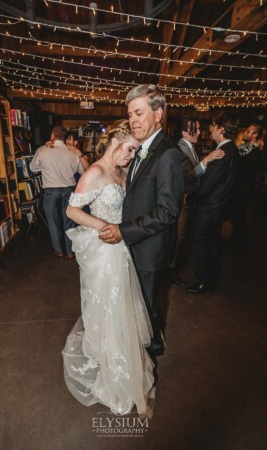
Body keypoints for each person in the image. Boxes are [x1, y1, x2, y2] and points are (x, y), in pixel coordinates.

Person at [62, 120, 155, 417]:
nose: (131, 156)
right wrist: (106, 227)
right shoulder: (95, 172)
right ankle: (112, 369)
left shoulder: (122, 170)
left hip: (122, 248)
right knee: (108, 309)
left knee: (123, 308)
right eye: (129, 150)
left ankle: (125, 363)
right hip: (103, 252)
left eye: (135, 152)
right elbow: (72, 210)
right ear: (115, 143)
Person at [99, 84, 186, 357]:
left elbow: (169, 211)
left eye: (139, 113)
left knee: (144, 307)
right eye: (130, 114)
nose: (133, 120)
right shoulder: (143, 148)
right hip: (136, 244)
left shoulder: (169, 154)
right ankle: (155, 344)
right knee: (142, 307)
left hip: (149, 249)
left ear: (158, 114)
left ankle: (143, 365)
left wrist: (123, 231)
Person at [186, 112, 240, 294]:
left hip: (209, 208)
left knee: (201, 243)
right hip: (221, 207)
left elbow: (205, 187)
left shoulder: (221, 155)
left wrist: (189, 197)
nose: (211, 129)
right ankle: (210, 275)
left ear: (221, 130)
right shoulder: (234, 150)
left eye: (214, 126)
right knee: (212, 243)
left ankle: (203, 281)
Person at [171, 118, 225, 286]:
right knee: (178, 237)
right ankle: (170, 271)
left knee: (184, 237)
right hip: (184, 200)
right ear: (184, 132)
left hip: (192, 199)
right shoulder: (180, 149)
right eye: (197, 129)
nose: (200, 132)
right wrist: (206, 160)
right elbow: (186, 176)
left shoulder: (189, 147)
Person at [30, 125, 84, 259]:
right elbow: (82, 172)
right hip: (69, 191)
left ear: (52, 136)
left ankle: (59, 250)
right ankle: (70, 252)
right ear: (65, 137)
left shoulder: (43, 150)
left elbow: (32, 168)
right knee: (69, 221)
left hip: (51, 192)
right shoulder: (72, 152)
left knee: (53, 223)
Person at [229, 124, 264, 253]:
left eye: (249, 131)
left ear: (255, 135)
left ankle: (239, 245)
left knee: (239, 217)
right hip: (238, 188)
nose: (245, 132)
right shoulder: (244, 148)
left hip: (244, 190)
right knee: (236, 216)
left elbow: (246, 172)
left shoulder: (255, 152)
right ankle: (235, 241)